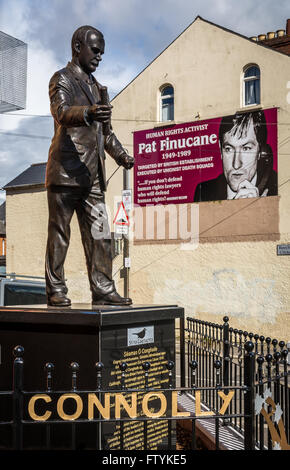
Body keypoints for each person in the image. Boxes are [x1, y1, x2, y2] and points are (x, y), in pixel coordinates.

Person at [45, 25, 134, 307]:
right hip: (65, 171)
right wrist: (88, 112)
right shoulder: (62, 79)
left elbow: (105, 133)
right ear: (77, 47)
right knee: (60, 234)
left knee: (101, 235)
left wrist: (121, 156)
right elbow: (61, 113)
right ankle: (56, 290)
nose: (99, 57)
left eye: (102, 53)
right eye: (95, 51)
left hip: (93, 176)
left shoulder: (99, 89)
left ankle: (104, 289)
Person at [194, 110, 277, 202]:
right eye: (229, 149)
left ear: (261, 152)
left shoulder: (279, 187)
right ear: (220, 149)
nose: (236, 165)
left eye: (246, 149)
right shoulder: (204, 191)